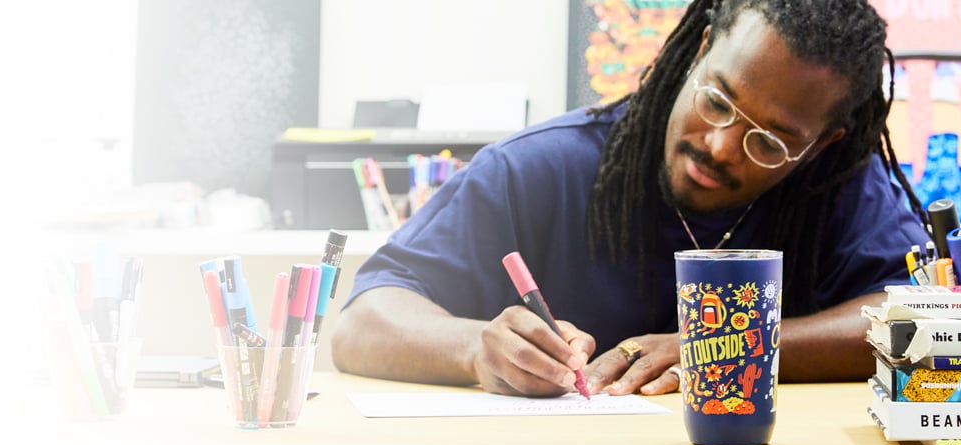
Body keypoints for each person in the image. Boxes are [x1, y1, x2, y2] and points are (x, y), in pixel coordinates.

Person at [331, 0, 930, 398]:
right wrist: (472, 351)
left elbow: (921, 319)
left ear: (822, 144)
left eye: (768, 142)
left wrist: (733, 347)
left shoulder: (837, 188)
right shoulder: (537, 168)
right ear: (699, 53)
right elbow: (363, 322)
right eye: (717, 100)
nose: (720, 145)